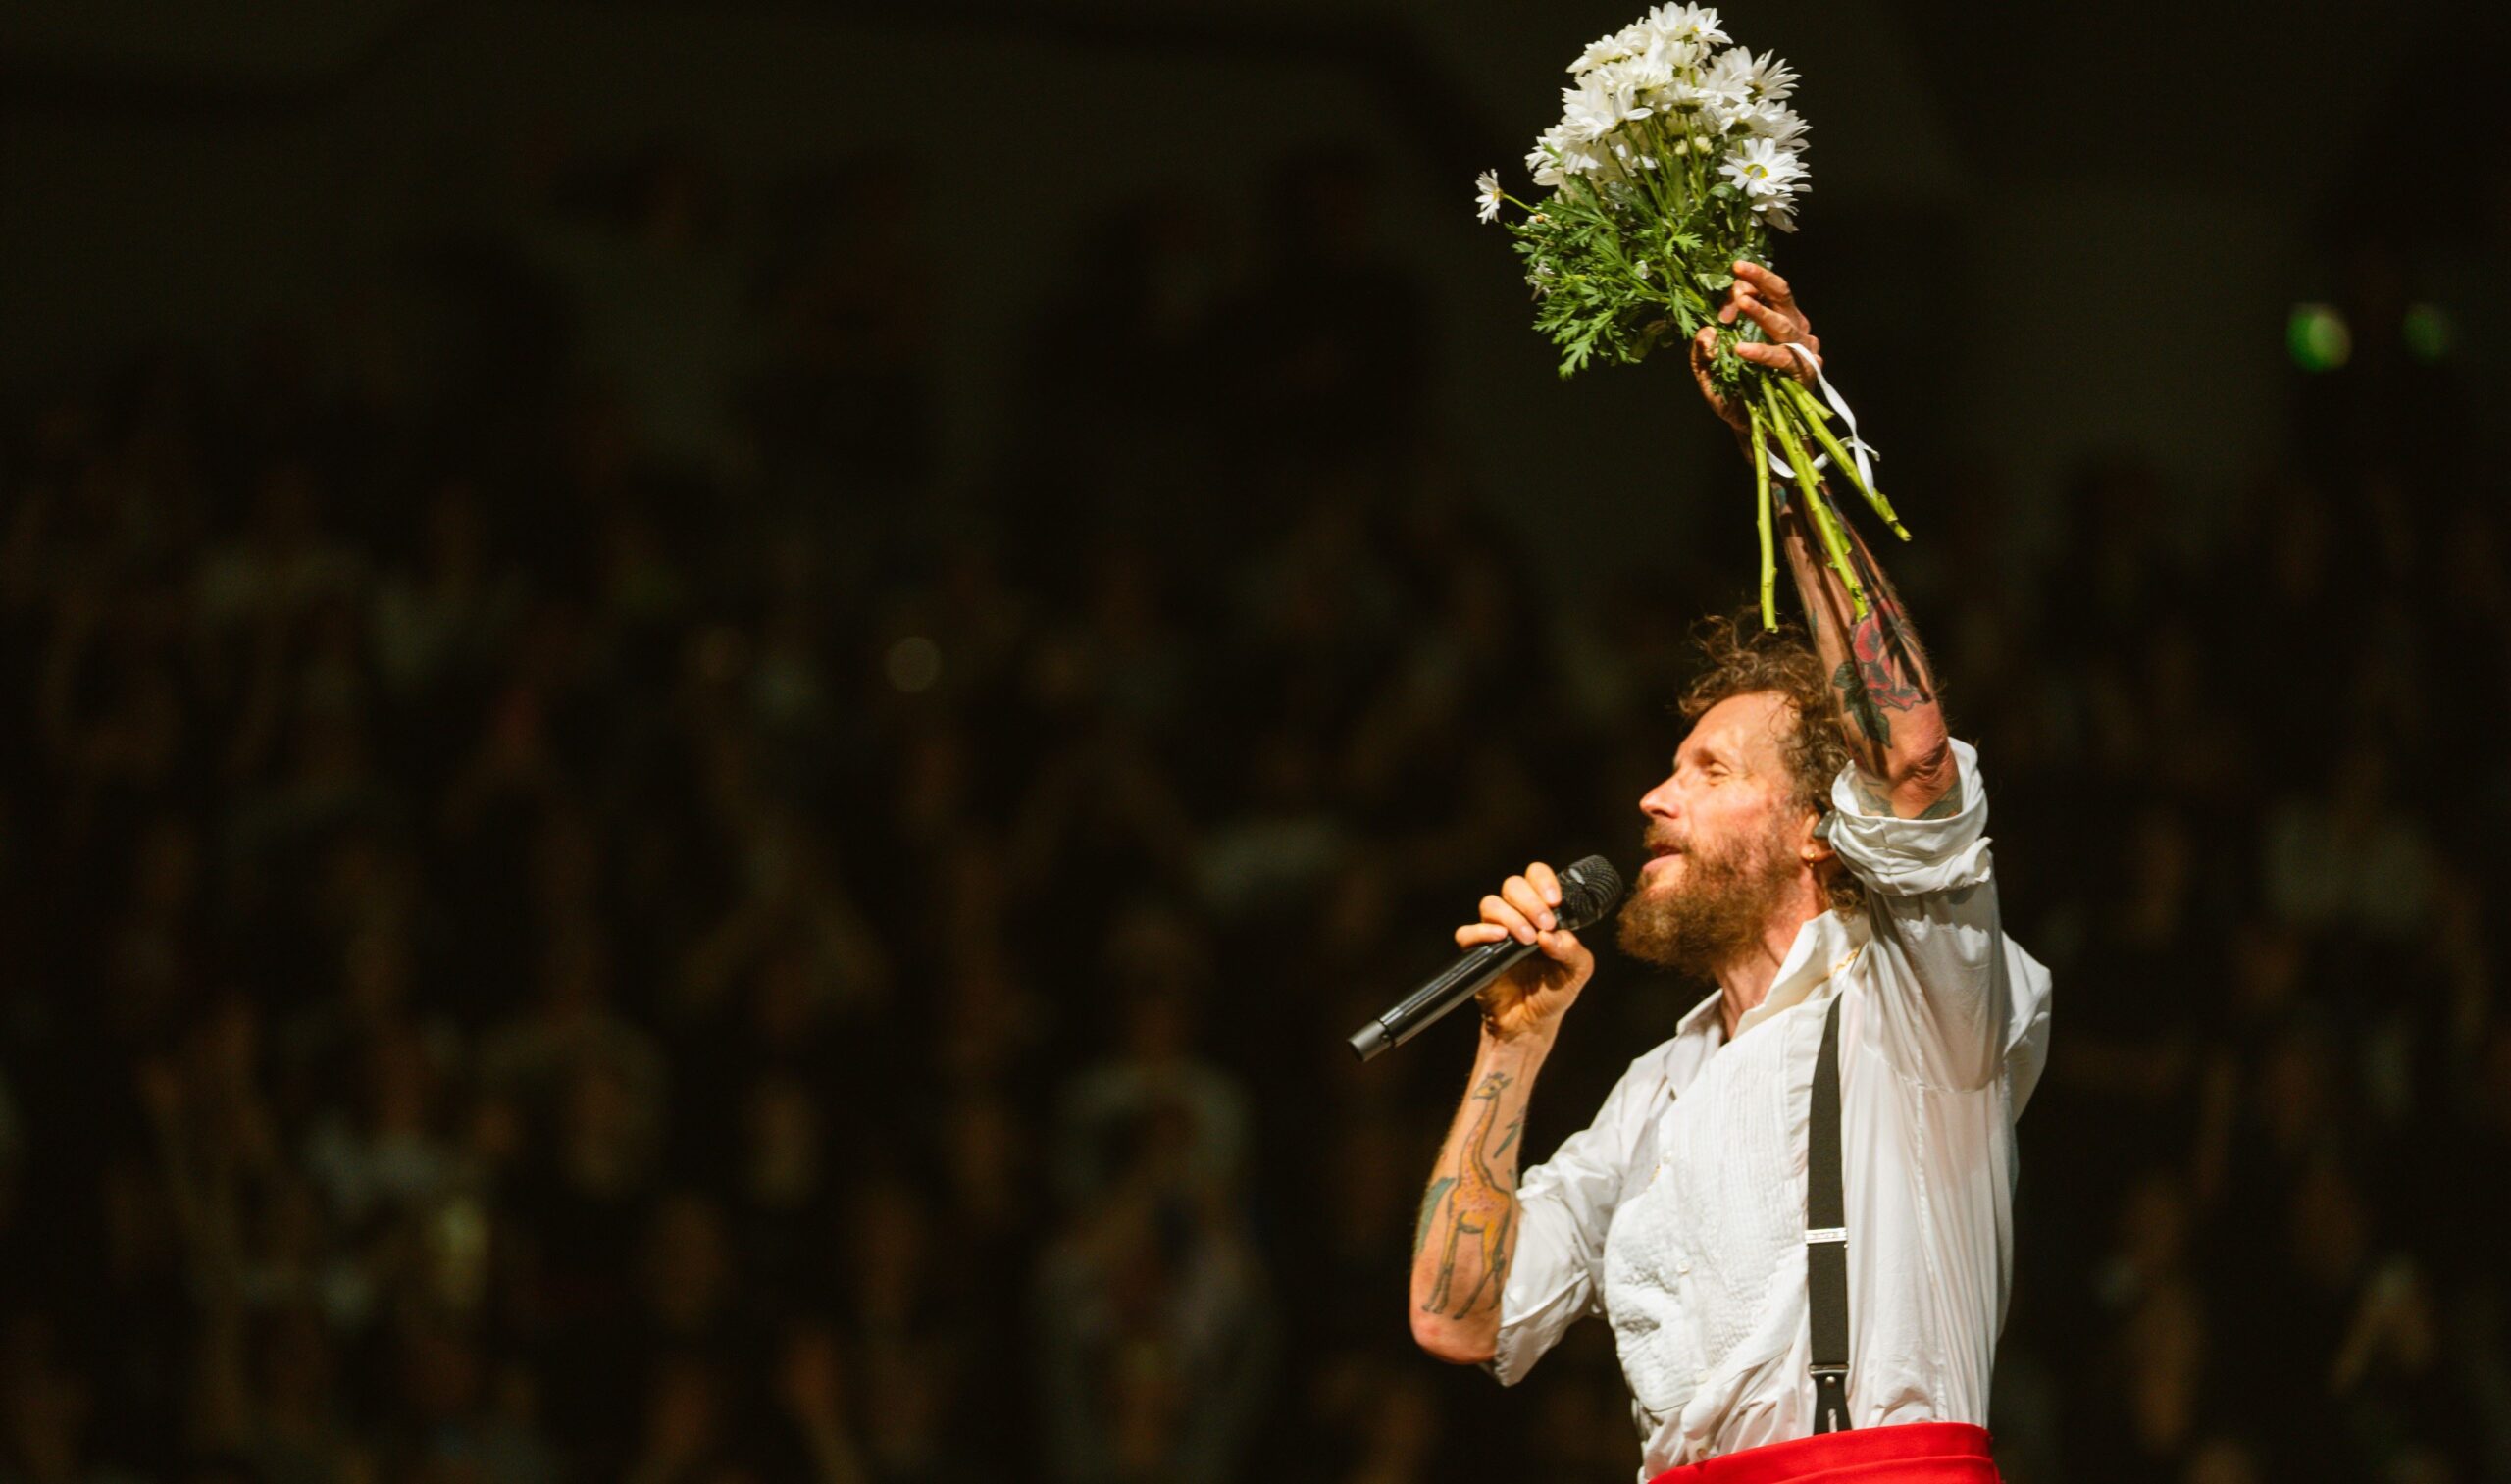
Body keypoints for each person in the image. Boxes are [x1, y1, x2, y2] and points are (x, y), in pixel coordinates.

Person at [1404, 263, 2053, 1483]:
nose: (1654, 798)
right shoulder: (1655, 1089)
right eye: (1666, 769)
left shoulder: (1920, 1002)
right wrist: (1512, 1044)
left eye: (1707, 770)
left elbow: (1909, 758)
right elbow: (1457, 1315)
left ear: (1818, 825)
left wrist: (1787, 454)